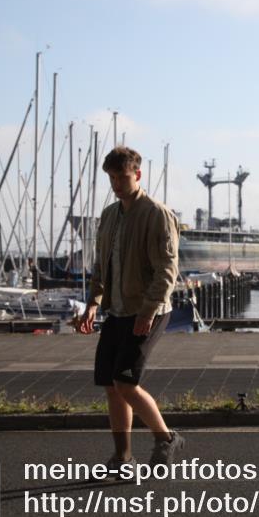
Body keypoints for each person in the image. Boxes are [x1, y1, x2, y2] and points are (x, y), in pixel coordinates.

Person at [77, 146, 185, 471]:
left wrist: (148, 312)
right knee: (111, 386)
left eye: (122, 177)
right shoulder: (109, 216)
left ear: (137, 175)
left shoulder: (157, 214)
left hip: (148, 311)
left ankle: (167, 439)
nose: (116, 185)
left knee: (125, 382)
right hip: (117, 311)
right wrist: (93, 303)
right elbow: (101, 265)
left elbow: (168, 268)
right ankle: (122, 458)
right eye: (111, 178)